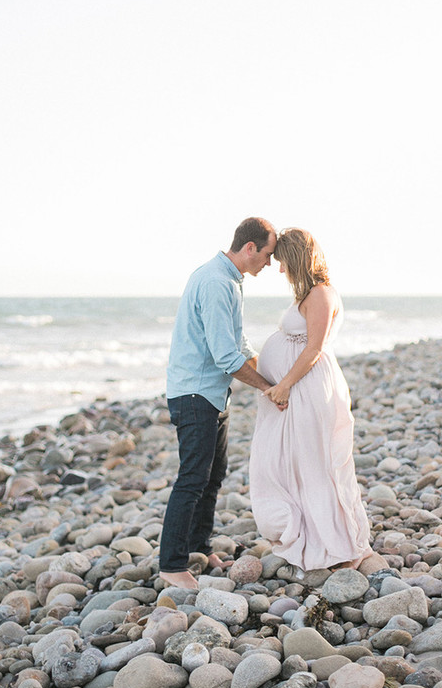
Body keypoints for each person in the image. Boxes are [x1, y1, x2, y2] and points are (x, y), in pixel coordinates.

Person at [249, 228, 385, 574]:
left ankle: (337, 544)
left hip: (309, 389)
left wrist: (285, 386)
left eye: (282, 262)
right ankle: (312, 532)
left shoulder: (322, 293)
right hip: (298, 390)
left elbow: (314, 347)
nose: (280, 270)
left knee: (317, 464)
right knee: (293, 464)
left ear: (295, 259)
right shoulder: (308, 294)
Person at [159, 217, 280, 588]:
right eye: (268, 255)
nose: (270, 264)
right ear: (249, 248)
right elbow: (226, 357)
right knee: (192, 479)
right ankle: (172, 565)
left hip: (211, 394)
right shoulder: (215, 282)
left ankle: (198, 546)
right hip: (194, 394)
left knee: (213, 476)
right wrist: (267, 389)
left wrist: (279, 379)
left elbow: (240, 346)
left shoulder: (230, 280)